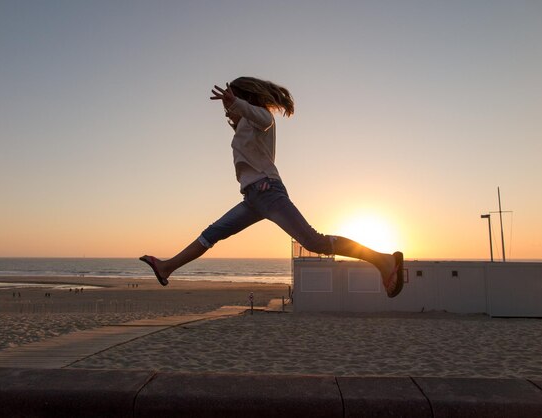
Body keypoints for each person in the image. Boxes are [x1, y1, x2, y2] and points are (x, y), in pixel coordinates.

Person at [141, 77, 404, 297]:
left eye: (230, 103)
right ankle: (166, 268)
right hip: (253, 198)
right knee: (212, 233)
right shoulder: (246, 125)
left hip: (268, 191)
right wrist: (234, 114)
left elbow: (262, 118)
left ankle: (383, 260)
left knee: (314, 242)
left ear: (244, 99)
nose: (227, 109)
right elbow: (247, 128)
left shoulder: (262, 117)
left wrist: (237, 104)